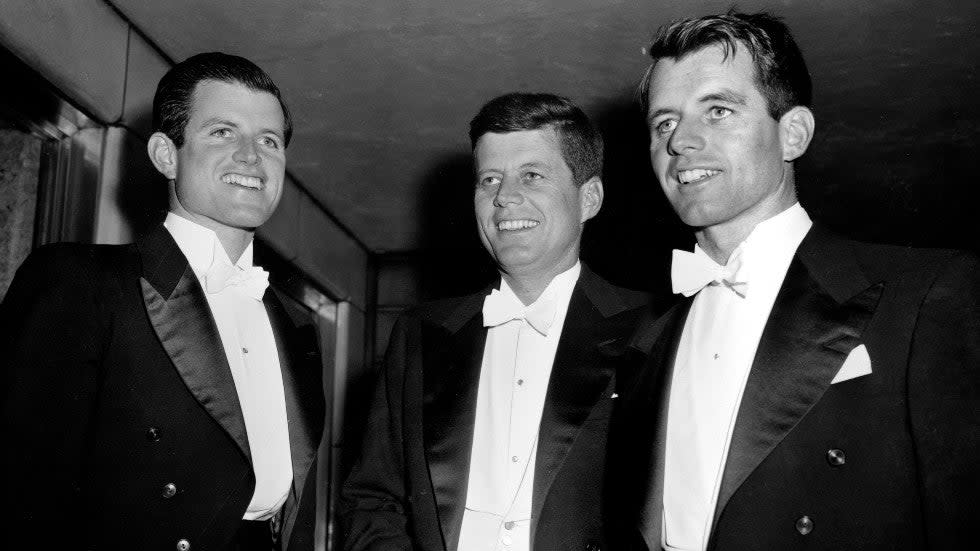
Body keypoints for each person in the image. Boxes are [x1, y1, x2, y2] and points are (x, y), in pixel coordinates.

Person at [605, 11, 980, 551]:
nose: (681, 141)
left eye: (717, 110)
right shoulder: (639, 340)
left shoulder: (926, 294)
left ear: (794, 133)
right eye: (664, 123)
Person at [0, 52, 324, 551]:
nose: (251, 156)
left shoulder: (295, 324)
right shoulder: (80, 282)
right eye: (222, 132)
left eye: (269, 140)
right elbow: (19, 489)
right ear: (165, 154)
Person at [341, 92, 648, 551]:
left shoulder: (652, 328)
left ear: (590, 198)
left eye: (532, 175)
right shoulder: (420, 334)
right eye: (489, 179)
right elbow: (373, 499)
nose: (505, 197)